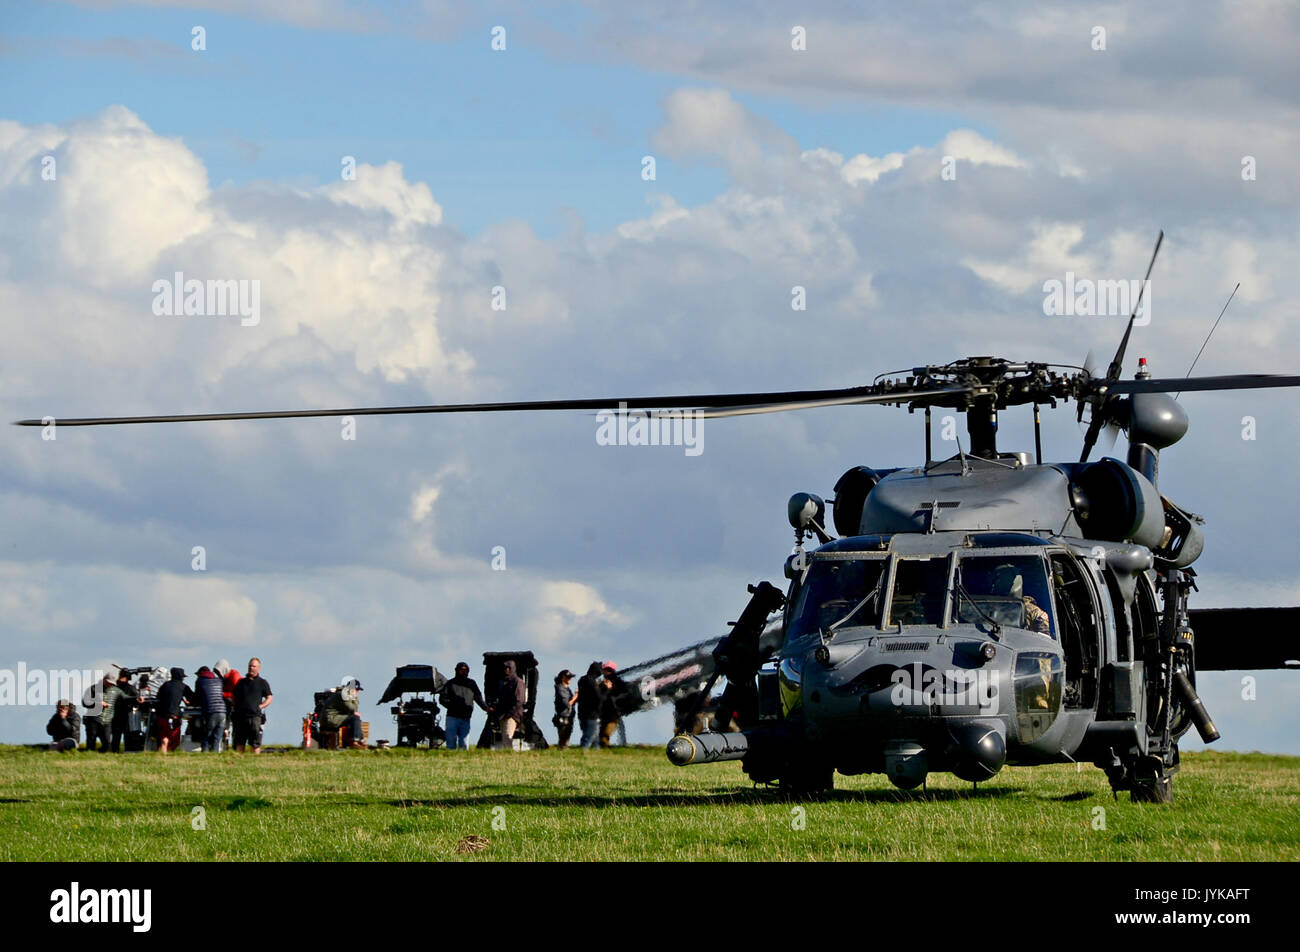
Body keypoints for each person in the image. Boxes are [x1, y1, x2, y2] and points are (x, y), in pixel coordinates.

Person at [438, 662, 487, 750]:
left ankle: (463, 760)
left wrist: (486, 708)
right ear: (457, 670)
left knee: (464, 743)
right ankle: (450, 760)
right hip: (452, 717)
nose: (464, 672)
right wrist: (453, 706)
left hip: (466, 717)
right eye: (462, 670)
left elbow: (478, 697)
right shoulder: (450, 683)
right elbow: (442, 699)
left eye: (466, 670)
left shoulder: (471, 683)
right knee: (451, 743)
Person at [231, 657, 273, 753]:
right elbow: (234, 696)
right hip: (240, 717)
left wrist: (260, 706)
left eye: (254, 666)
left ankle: (255, 762)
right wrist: (236, 706)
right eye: (250, 666)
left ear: (259, 668)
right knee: (239, 742)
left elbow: (269, 698)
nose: (251, 668)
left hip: (255, 717)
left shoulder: (262, 683)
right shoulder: (241, 683)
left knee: (255, 743)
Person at [154, 667, 195, 754]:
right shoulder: (183, 686)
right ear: (180, 677)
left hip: (161, 715)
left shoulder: (165, 685)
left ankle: (163, 755)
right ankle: (169, 753)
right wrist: (187, 702)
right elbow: (193, 698)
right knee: (175, 741)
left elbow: (158, 698)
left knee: (164, 737)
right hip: (174, 716)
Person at [323, 677, 366, 749]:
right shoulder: (344, 695)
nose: (357, 692)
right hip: (331, 718)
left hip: (332, 717)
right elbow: (353, 709)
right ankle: (355, 741)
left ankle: (359, 740)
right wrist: (355, 698)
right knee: (354, 718)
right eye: (357, 690)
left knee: (355, 720)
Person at [492, 660, 526, 748]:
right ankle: (506, 757)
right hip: (503, 715)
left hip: (512, 715)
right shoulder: (503, 682)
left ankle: (509, 757)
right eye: (505, 668)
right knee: (505, 739)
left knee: (507, 737)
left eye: (509, 668)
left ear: (513, 669)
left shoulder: (518, 682)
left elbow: (519, 701)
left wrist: (510, 714)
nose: (507, 670)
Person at [106, 669, 141, 753]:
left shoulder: (114, 688)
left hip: (116, 715)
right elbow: (138, 701)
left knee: (116, 736)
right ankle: (127, 751)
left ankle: (114, 752)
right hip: (127, 715)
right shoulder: (131, 688)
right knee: (127, 735)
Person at [194, 666, 226, 752]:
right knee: (217, 739)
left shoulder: (200, 681)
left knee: (206, 737)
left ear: (200, 673)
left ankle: (205, 757)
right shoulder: (219, 681)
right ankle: (214, 758)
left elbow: (197, 697)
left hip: (211, 711)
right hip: (222, 711)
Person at [576, 662, 606, 749]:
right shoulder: (592, 683)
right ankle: (582, 754)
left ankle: (595, 757)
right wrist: (605, 688)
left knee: (595, 740)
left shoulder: (582, 680)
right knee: (588, 738)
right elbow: (599, 698)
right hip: (592, 715)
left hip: (582, 713)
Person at [215, 659, 241, 749]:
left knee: (235, 728)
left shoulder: (234, 676)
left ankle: (234, 746)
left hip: (236, 706)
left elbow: (236, 694)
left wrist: (221, 694)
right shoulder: (224, 678)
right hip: (227, 706)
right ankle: (225, 746)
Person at [599, 662, 626, 748]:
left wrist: (610, 689)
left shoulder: (618, 682)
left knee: (605, 733)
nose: (606, 672)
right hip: (604, 712)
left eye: (609, 670)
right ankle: (604, 748)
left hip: (614, 712)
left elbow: (621, 693)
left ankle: (605, 747)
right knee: (601, 733)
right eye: (605, 670)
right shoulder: (602, 682)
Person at [82, 676, 111, 752]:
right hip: (92, 719)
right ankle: (90, 758)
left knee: (107, 743)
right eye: (109, 682)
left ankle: (104, 758)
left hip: (106, 720)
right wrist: (99, 704)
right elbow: (85, 702)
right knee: (91, 742)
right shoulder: (93, 688)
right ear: (105, 680)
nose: (110, 684)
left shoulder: (113, 690)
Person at [552, 670, 577, 748]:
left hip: (568, 716)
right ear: (563, 678)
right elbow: (566, 704)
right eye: (568, 677)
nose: (570, 679)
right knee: (563, 739)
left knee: (566, 738)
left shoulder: (566, 689)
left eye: (570, 677)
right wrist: (576, 697)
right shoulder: (560, 688)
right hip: (563, 716)